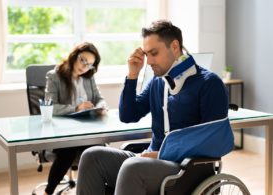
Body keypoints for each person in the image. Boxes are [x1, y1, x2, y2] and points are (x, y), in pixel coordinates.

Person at [76, 20, 231, 195]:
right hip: (149, 161)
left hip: (187, 170)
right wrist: (133, 74)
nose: (148, 61)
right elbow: (128, 115)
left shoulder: (209, 83)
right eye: (146, 54)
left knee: (132, 167)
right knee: (92, 156)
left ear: (174, 46)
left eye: (154, 53)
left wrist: (161, 155)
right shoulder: (158, 82)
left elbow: (212, 141)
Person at [43, 42, 107, 195]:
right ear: (74, 56)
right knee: (68, 149)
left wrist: (101, 106)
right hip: (63, 131)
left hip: (86, 129)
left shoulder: (88, 78)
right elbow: (50, 107)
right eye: (83, 60)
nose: (85, 67)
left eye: (90, 65)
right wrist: (76, 108)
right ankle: (48, 192)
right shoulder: (54, 76)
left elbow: (99, 98)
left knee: (98, 151)